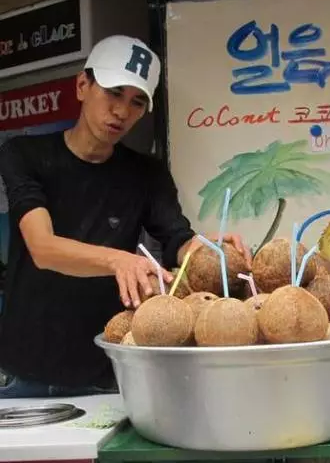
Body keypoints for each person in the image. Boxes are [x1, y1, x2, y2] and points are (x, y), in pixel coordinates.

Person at [0, 35, 251, 399]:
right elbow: (42, 247)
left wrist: (209, 250)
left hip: (107, 369)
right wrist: (119, 260)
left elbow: (177, 238)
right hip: (22, 368)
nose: (122, 111)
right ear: (82, 85)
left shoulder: (146, 173)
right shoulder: (25, 154)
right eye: (114, 92)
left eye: (136, 102)